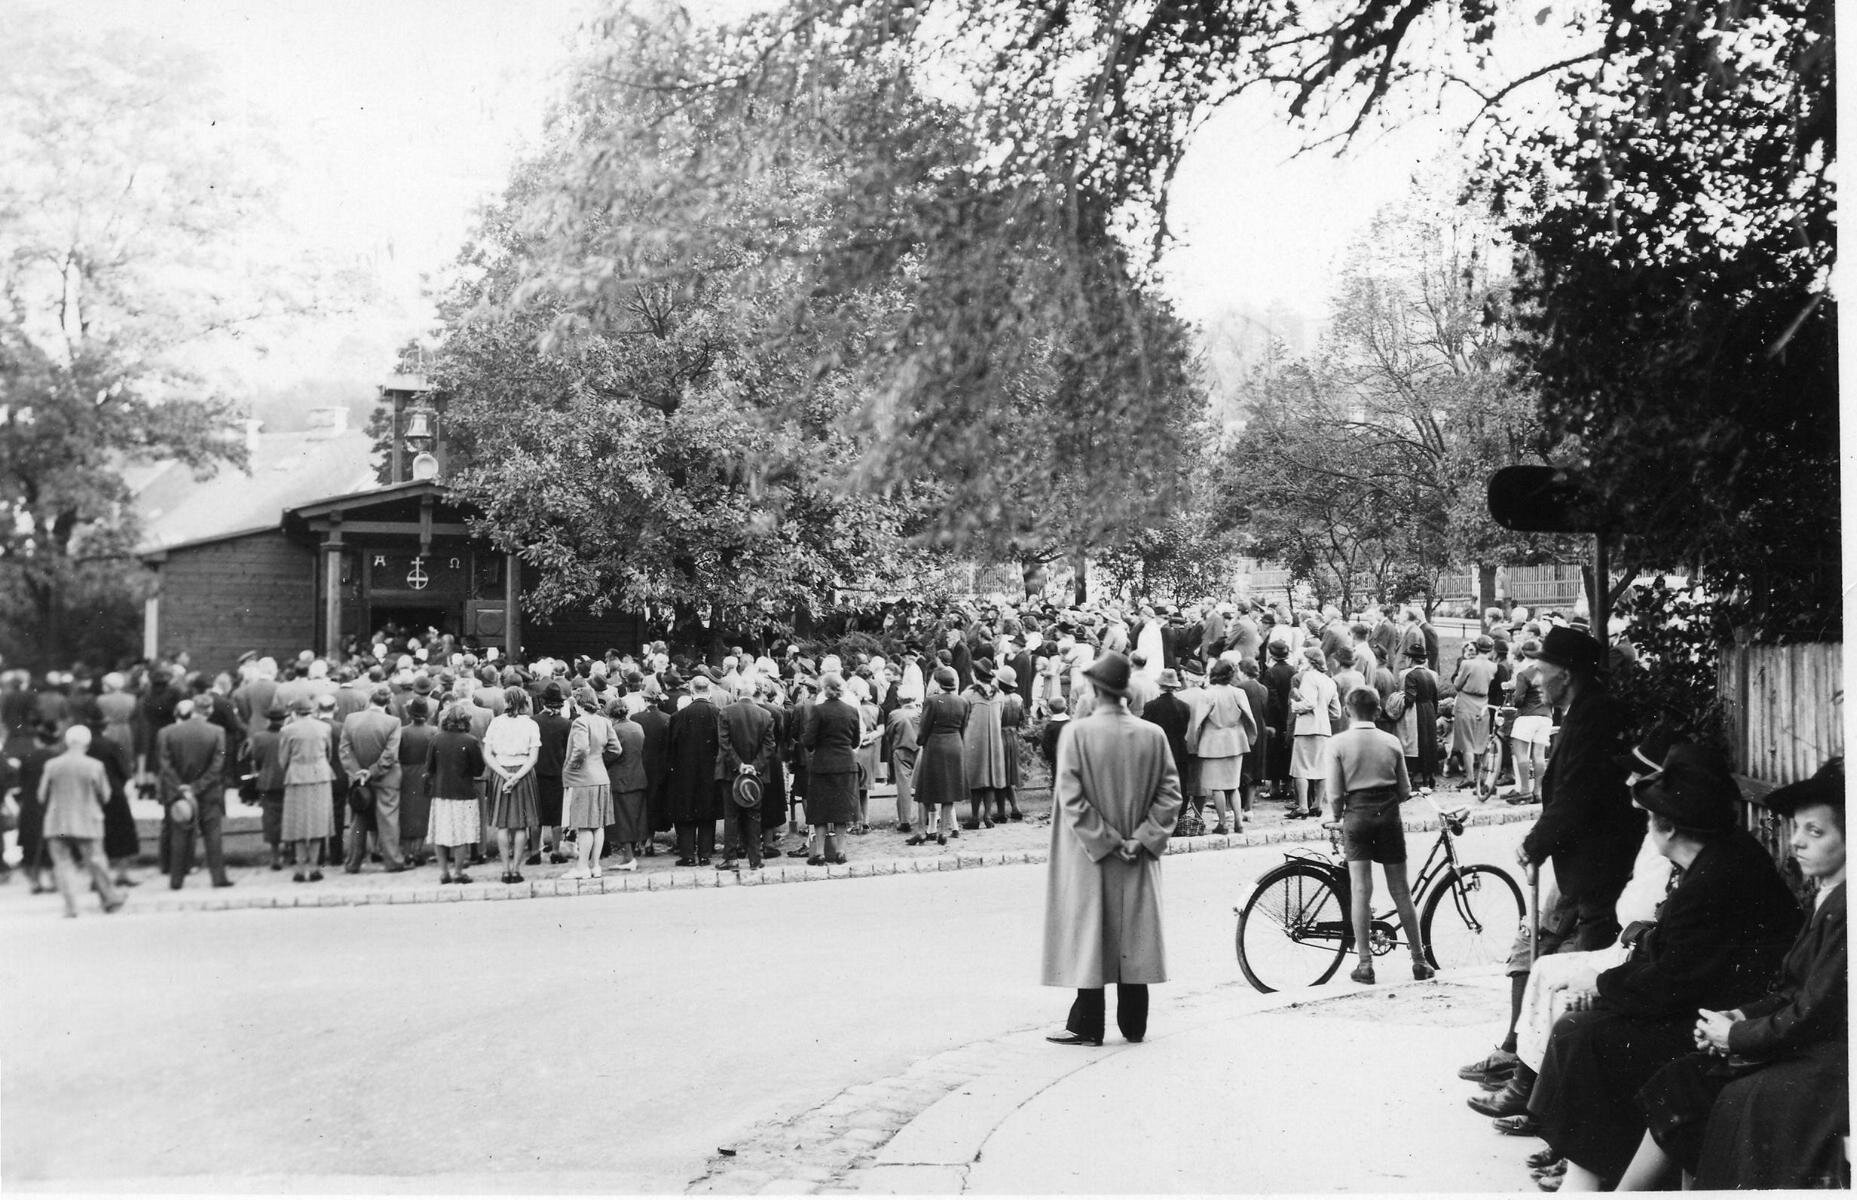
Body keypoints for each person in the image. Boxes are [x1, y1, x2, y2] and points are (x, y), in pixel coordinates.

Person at [1521, 745, 1803, 1191]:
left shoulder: (1712, 877)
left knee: (1586, 1035)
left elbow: (1673, 981)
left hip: (1726, 1020)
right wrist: (1608, 988)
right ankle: (1585, 1167)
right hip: (1717, 1005)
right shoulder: (1720, 856)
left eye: (1650, 818)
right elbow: (1674, 959)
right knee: (1584, 1027)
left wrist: (1602, 986)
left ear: (1668, 828)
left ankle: (1590, 1176)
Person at [1619, 757, 1846, 1191]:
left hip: (1831, 1070)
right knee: (1685, 1079)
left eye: (1815, 832)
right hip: (1806, 1048)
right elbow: (1795, 992)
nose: (1797, 841)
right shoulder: (1828, 896)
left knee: (1728, 1097)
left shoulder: (1846, 910)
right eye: (1797, 828)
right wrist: (1739, 1017)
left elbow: (1815, 1011)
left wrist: (1737, 1036)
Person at [1042, 651, 1182, 1047]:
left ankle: (1087, 1025)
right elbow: (1170, 794)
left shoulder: (1077, 734)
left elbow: (1071, 798)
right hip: (1139, 853)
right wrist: (1143, 837)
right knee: (1134, 934)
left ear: (1096, 689)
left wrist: (1106, 840)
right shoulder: (1152, 734)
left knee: (1091, 935)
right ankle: (1134, 1024)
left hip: (1091, 855)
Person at [1517, 626, 1642, 954]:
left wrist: (1534, 845)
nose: (1537, 680)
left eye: (1542, 672)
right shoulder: (1585, 709)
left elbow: (1576, 792)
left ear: (1566, 675)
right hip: (1588, 863)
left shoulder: (1595, 715)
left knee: (1593, 952)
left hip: (1600, 863)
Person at [1323, 688, 1431, 984]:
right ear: (1378, 710)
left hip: (1356, 815)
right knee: (1401, 890)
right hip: (1388, 815)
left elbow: (1335, 794)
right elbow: (1405, 791)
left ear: (1347, 710)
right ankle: (1419, 961)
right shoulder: (1391, 741)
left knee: (1360, 890)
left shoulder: (1337, 743)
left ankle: (1365, 964)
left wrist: (1336, 816)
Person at [38, 726, 125, 918]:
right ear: (87, 743)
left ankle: (71, 907)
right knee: (96, 861)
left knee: (62, 864)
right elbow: (106, 795)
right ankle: (110, 899)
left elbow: (41, 795)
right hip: (87, 820)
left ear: (67, 742)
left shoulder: (52, 764)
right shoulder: (94, 765)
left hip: (57, 822)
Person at [157, 698, 230, 890]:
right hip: (209, 791)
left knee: (179, 835)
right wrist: (197, 787)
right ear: (210, 709)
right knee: (213, 835)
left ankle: (176, 879)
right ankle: (218, 877)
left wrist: (181, 787)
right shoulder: (217, 732)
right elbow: (217, 765)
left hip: (179, 792)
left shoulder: (167, 732)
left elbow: (165, 765)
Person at [338, 685, 406, 875]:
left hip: (359, 779)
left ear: (369, 699)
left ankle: (353, 862)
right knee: (388, 819)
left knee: (358, 820)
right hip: (386, 777)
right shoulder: (393, 722)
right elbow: (390, 754)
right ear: (388, 701)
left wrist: (357, 772)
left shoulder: (351, 719)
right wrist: (373, 771)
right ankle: (393, 861)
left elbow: (344, 750)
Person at [1186, 660, 1256, 835]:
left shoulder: (1208, 694)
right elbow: (1250, 719)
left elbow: (1197, 723)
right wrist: (1251, 738)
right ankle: (1238, 822)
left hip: (1213, 743)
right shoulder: (1239, 692)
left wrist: (1193, 743)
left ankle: (1222, 823)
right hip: (1236, 741)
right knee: (1233, 785)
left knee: (1217, 786)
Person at [482, 686, 541, 884]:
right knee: (520, 825)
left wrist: (504, 774)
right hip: (523, 774)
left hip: (502, 772)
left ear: (506, 702)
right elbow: (533, 758)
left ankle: (505, 870)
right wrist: (516, 777)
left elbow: (488, 754)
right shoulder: (530, 724)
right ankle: (516, 869)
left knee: (503, 825)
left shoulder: (496, 723)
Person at [801, 672, 861, 865]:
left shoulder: (818, 711)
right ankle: (841, 852)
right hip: (846, 764)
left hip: (823, 765)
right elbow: (855, 741)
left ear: (826, 689)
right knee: (842, 810)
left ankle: (820, 853)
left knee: (820, 811)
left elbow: (808, 740)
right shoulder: (852, 710)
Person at [562, 685, 621, 878]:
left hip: (583, 779)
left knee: (584, 825)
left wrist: (572, 767)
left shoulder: (579, 722)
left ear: (579, 704)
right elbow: (616, 749)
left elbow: (581, 748)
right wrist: (600, 761)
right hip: (601, 776)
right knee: (598, 825)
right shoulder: (604, 721)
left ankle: (582, 868)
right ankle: (595, 866)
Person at [716, 681, 776, 870]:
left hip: (730, 772)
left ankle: (731, 858)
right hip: (756, 775)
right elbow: (769, 745)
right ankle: (755, 859)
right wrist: (754, 767)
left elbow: (724, 744)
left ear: (737, 693)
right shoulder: (765, 715)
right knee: (754, 815)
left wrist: (739, 765)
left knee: (731, 816)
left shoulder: (726, 712)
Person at [424, 703, 486, 885]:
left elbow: (429, 767)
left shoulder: (436, 740)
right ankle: (458, 872)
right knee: (462, 834)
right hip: (463, 792)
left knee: (440, 833)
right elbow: (478, 769)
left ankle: (444, 872)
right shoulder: (470, 741)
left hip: (441, 792)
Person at [665, 675, 723, 866]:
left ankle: (687, 854)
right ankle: (705, 854)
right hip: (710, 771)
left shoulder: (678, 716)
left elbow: (670, 748)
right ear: (709, 691)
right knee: (707, 812)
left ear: (691, 690)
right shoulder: (718, 714)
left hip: (684, 772)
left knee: (686, 813)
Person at [276, 699, 335, 882]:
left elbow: (282, 759)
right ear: (312, 711)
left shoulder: (287, 730)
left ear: (294, 713)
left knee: (298, 823)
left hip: (297, 776)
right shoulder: (324, 728)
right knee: (318, 823)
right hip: (320, 776)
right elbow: (329, 753)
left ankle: (300, 869)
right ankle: (315, 867)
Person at [913, 667, 968, 846]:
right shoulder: (963, 701)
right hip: (955, 745)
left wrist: (920, 741)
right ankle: (943, 832)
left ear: (938, 683)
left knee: (924, 791)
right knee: (948, 792)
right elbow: (963, 728)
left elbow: (924, 727)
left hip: (935, 746)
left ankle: (921, 831)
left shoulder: (932, 701)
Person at [1288, 647, 1341, 820]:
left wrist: (1295, 706)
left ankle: (1303, 806)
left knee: (1301, 768)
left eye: (1303, 660)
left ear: (1311, 662)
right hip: (1324, 729)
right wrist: (1322, 714)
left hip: (1306, 728)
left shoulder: (1309, 677)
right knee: (1321, 768)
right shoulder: (1329, 681)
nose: (1301, 663)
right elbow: (1336, 713)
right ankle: (1317, 804)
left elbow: (1309, 703)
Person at [962, 661, 1008, 829]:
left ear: (975, 674)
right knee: (991, 777)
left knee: (976, 777)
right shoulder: (1000, 695)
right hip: (994, 741)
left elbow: (964, 718)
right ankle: (987, 815)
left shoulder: (968, 694)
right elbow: (1000, 716)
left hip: (974, 740)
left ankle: (975, 817)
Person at [604, 699, 646, 871]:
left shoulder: (614, 730)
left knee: (622, 819)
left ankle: (628, 857)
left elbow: (611, 753)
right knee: (634, 817)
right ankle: (631, 854)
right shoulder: (637, 727)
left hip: (620, 778)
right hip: (638, 775)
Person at [1451, 636, 1498, 787]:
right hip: (1483, 703)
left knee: (1467, 742)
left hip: (1466, 702)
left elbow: (1457, 684)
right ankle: (1482, 776)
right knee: (1482, 741)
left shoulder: (1467, 663)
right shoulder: (1493, 666)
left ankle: (1470, 777)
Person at [244, 706, 288, 870]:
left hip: (267, 781)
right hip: (286, 780)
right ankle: (289, 851)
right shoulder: (287, 735)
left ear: (269, 719)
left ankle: (275, 856)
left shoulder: (259, 737)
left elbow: (256, 759)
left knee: (270, 819)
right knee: (289, 816)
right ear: (283, 719)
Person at [1393, 646, 1441, 788]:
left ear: (1410, 659)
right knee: (1428, 743)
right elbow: (1435, 697)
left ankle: (1415, 777)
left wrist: (1399, 701)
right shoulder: (1431, 674)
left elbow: (1410, 698)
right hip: (1429, 709)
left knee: (1416, 743)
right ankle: (1428, 776)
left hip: (1417, 710)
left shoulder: (1409, 675)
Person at [396, 697, 435, 867]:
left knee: (406, 812)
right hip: (425, 774)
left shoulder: (402, 732)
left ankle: (407, 853)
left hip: (405, 774)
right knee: (422, 813)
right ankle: (417, 851)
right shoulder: (433, 731)